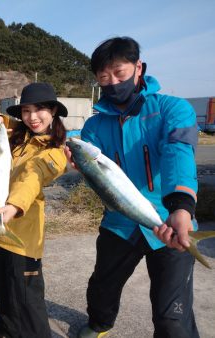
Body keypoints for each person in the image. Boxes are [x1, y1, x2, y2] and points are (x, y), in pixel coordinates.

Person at [64, 37, 199, 338]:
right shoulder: (94, 127)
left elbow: (179, 152)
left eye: (119, 73)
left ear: (139, 67)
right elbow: (98, 177)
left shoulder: (172, 109)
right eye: (103, 77)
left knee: (172, 319)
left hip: (169, 220)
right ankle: (100, 325)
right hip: (119, 222)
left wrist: (181, 207)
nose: (112, 82)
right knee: (102, 287)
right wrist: (79, 164)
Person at [0, 82, 68, 338]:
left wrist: (14, 206)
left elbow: (33, 177)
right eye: (26, 111)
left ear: (53, 110)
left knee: (27, 300)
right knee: (2, 288)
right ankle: (8, 328)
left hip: (23, 238)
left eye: (40, 109)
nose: (32, 117)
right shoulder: (11, 134)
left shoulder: (56, 152)